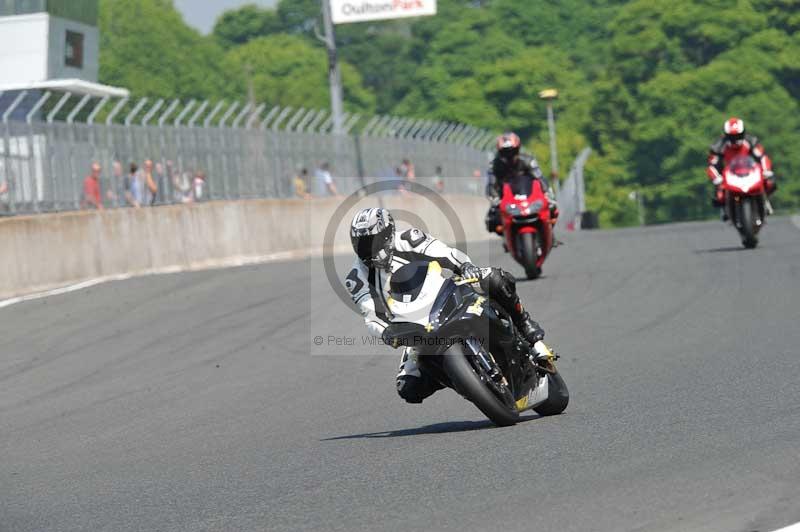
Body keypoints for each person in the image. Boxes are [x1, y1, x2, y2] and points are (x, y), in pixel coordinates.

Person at [345, 207, 548, 404]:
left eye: (374, 242)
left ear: (388, 234)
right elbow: (371, 316)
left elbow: (444, 253)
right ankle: (466, 380)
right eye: (362, 244)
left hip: (449, 293)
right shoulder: (356, 277)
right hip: (415, 326)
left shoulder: (409, 239)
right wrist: (387, 333)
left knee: (495, 279)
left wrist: (464, 266)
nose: (368, 251)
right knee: (408, 387)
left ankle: (525, 324)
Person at [485, 132, 558, 233]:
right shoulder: (494, 165)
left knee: (552, 209)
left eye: (512, 152)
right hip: (505, 198)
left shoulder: (528, 160)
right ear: (500, 152)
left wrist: (547, 194)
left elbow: (540, 178)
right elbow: (491, 184)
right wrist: (496, 201)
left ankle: (548, 232)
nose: (509, 156)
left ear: (518, 149)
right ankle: (507, 238)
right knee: (491, 221)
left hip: (528, 194)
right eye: (505, 153)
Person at [706, 117, 775, 216]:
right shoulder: (718, 147)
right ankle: (724, 208)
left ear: (743, 134)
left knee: (770, 182)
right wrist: (717, 178)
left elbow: (762, 157)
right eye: (732, 137)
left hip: (751, 170)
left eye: (738, 136)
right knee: (719, 194)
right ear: (726, 136)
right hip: (729, 173)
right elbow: (712, 165)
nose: (735, 140)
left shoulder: (752, 141)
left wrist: (766, 170)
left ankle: (765, 200)